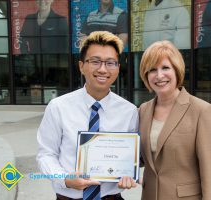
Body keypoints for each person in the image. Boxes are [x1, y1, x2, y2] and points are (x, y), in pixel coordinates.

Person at [37, 31, 138, 200]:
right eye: (95, 61)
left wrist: (128, 174)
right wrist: (66, 180)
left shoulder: (129, 111)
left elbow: (130, 158)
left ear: (118, 68)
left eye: (110, 63)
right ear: (81, 66)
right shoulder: (58, 107)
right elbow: (45, 155)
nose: (103, 69)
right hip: (69, 196)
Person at [138, 40, 211, 199]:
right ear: (146, 75)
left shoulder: (201, 111)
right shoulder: (143, 110)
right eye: (152, 70)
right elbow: (141, 157)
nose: (159, 75)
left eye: (165, 68)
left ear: (177, 70)